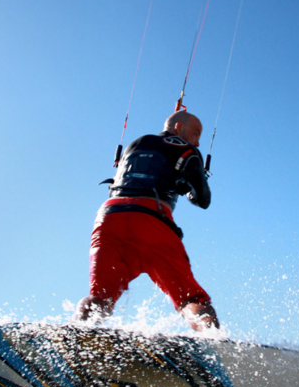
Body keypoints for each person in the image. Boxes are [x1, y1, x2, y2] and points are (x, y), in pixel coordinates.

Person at [74, 111, 220, 331]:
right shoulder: (188, 150)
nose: (198, 141)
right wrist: (187, 187)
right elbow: (203, 200)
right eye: (196, 133)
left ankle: (76, 333)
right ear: (179, 126)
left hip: (109, 217)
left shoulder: (136, 143)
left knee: (100, 300)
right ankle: (214, 341)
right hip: (151, 219)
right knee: (192, 301)